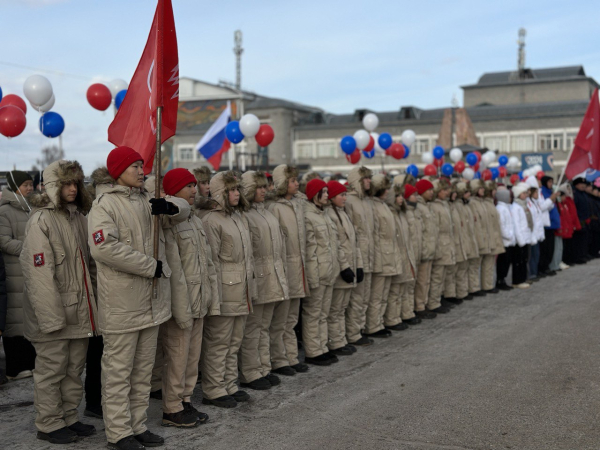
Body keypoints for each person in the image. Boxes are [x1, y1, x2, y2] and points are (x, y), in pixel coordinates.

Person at [89, 147, 190, 450]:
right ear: (118, 171)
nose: (141, 170)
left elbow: (185, 209)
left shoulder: (148, 200)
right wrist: (151, 267)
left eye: (142, 165)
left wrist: (171, 208)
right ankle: (119, 433)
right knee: (119, 371)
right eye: (134, 165)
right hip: (122, 302)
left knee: (143, 370)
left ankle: (137, 425)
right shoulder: (104, 206)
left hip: (151, 302)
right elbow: (103, 248)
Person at [21, 160, 97, 444]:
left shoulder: (79, 217)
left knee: (74, 369)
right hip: (53, 314)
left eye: (75, 183)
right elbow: (39, 275)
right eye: (66, 183)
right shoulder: (41, 221)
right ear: (53, 186)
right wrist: (51, 319)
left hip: (79, 310)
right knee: (52, 370)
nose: (72, 188)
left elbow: (89, 266)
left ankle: (69, 417)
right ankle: (49, 424)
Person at [161, 168, 217, 427]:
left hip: (199, 298)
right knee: (178, 355)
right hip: (182, 300)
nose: (195, 190)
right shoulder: (170, 219)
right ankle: (172, 407)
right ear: (175, 190)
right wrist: (181, 307)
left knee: (191, 357)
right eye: (188, 186)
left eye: (195, 185)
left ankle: (185, 400)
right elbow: (175, 270)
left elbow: (205, 263)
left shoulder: (194, 219)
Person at [199, 171, 253, 408]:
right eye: (231, 190)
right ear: (220, 192)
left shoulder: (238, 217)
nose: (236, 194)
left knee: (234, 341)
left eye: (237, 189)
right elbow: (211, 262)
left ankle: (229, 384)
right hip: (224, 288)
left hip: (241, 288)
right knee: (218, 342)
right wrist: (214, 298)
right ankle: (213, 389)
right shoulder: (211, 220)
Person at [239, 171, 289, 388]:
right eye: (258, 187)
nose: (264, 190)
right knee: (253, 328)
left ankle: (263, 367)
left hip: (272, 274)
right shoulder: (245, 216)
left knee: (264, 326)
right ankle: (251, 372)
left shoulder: (267, 213)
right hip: (257, 277)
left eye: (265, 186)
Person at [267, 165, 310, 374]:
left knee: (292, 317)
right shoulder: (275, 208)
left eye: (296, 180)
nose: (297, 184)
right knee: (280, 319)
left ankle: (291, 356)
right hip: (285, 266)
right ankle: (279, 359)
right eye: (292, 181)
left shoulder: (297, 205)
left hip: (297, 266)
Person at [0, 169, 36, 380]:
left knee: (28, 315)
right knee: (14, 317)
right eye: (26, 185)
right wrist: (31, 247)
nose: (30, 189)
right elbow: (3, 241)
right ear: (15, 187)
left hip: (29, 269)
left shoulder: (29, 208)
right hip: (13, 269)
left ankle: (29, 362)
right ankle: (14, 367)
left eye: (31, 185)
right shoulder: (5, 211)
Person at [302, 179, 342, 364]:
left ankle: (322, 346)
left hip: (329, 271)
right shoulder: (308, 216)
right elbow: (310, 251)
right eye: (323, 192)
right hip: (318, 273)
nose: (327, 195)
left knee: (323, 313)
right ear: (314, 194)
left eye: (327, 191)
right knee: (313, 314)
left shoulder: (324, 215)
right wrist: (312, 277)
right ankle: (313, 351)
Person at [326, 180, 365, 353]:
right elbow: (337, 245)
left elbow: (353, 242)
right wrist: (344, 267)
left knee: (342, 307)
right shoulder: (331, 215)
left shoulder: (343, 214)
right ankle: (335, 342)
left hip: (350, 264)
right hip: (342, 268)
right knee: (335, 309)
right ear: (332, 197)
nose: (344, 198)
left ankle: (341, 339)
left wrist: (359, 265)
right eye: (341, 195)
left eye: (345, 194)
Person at [364, 174, 402, 337]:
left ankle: (379, 322)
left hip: (389, 253)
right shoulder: (373, 206)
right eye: (384, 189)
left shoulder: (383, 205)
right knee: (377, 294)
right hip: (381, 254)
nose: (387, 192)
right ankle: (373, 325)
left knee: (384, 293)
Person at [343, 167, 374, 345]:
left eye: (369, 178)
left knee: (364, 297)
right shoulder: (350, 201)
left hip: (368, 253)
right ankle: (353, 333)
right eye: (366, 179)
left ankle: (360, 329)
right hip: (357, 254)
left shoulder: (365, 201)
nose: (369, 181)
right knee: (356, 298)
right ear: (358, 181)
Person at [385, 183, 419, 328]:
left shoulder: (401, 214)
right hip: (395, 256)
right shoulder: (391, 214)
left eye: (401, 195)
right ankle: (392, 319)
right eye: (397, 196)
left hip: (405, 254)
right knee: (394, 290)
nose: (400, 198)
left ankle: (403, 314)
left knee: (403, 288)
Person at [427, 179, 455, 312]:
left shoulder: (444, 205)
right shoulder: (434, 207)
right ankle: (433, 302)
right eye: (444, 190)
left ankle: (439, 298)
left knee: (443, 275)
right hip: (440, 244)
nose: (447, 192)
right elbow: (435, 229)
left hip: (446, 243)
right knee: (437, 276)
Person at [414, 179, 440, 318]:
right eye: (429, 190)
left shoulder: (426, 206)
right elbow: (420, 232)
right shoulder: (419, 207)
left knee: (427, 280)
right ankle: (419, 306)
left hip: (429, 249)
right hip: (424, 250)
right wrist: (423, 249)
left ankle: (424, 303)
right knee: (422, 281)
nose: (431, 192)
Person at [404, 184, 428, 315]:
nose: (417, 197)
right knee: (409, 285)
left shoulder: (415, 211)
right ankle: (409, 311)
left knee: (420, 282)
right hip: (410, 254)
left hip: (418, 252)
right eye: (414, 194)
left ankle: (417, 307)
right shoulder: (405, 213)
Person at [452, 182, 478, 301]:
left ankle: (467, 289)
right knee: (460, 269)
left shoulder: (467, 205)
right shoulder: (458, 206)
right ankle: (460, 292)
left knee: (467, 267)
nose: (469, 194)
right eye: (466, 192)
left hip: (468, 239)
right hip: (461, 240)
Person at [480, 181, 505, 293]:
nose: (495, 192)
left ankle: (488, 284)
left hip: (492, 236)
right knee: (487, 264)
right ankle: (487, 285)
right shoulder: (486, 204)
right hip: (488, 237)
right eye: (494, 190)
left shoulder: (490, 203)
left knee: (490, 263)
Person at [468, 180, 491, 296]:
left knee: (484, 263)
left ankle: (485, 285)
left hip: (484, 237)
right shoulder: (472, 203)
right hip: (477, 237)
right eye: (480, 188)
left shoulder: (482, 202)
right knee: (474, 265)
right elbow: (475, 223)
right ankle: (473, 288)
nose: (483, 190)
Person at [511, 183, 533, 289]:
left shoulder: (523, 205)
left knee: (524, 260)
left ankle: (523, 278)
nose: (526, 195)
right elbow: (516, 225)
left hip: (525, 237)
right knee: (518, 260)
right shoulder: (516, 207)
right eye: (523, 193)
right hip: (520, 239)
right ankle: (518, 280)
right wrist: (521, 240)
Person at [538, 176, 560, 276]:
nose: (551, 184)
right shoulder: (542, 192)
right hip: (546, 225)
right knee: (545, 249)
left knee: (550, 248)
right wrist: (551, 199)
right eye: (549, 182)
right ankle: (542, 267)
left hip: (551, 224)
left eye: (552, 181)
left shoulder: (549, 192)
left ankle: (547, 266)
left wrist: (552, 200)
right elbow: (542, 207)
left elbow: (550, 206)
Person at [495, 187, 516, 290]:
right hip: (505, 240)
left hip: (508, 239)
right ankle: (500, 279)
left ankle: (503, 279)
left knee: (507, 261)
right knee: (503, 262)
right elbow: (501, 225)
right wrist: (508, 235)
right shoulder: (500, 208)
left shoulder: (506, 207)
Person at [526, 182, 544, 282]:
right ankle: (532, 273)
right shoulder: (529, 203)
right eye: (535, 192)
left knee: (536, 254)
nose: (537, 194)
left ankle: (535, 272)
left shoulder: (535, 203)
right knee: (532, 255)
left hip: (537, 234)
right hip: (532, 233)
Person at [571, 178, 591, 264]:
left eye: (584, 184)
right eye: (581, 184)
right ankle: (577, 257)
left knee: (584, 240)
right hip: (579, 220)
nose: (583, 186)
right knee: (578, 240)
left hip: (585, 220)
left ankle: (583, 255)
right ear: (576, 185)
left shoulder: (584, 194)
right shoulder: (575, 194)